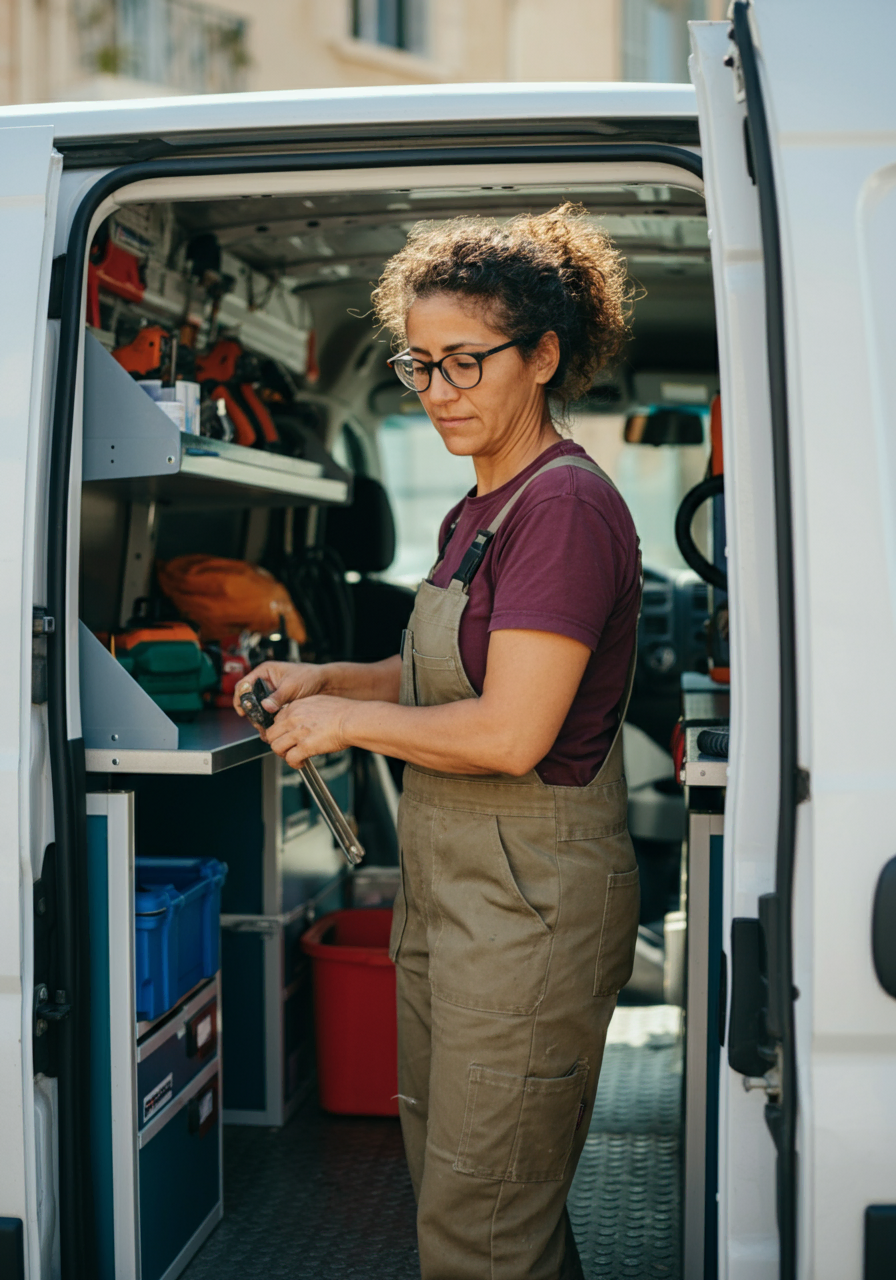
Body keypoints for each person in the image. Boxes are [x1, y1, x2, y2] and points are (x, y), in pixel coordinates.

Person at [235, 203, 642, 1280]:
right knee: (467, 1194)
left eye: (466, 362)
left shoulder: (560, 507)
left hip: (527, 907)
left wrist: (346, 722)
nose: (439, 394)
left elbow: (510, 728)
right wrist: (330, 678)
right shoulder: (482, 507)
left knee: (484, 1231)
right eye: (419, 366)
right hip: (458, 892)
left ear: (544, 354)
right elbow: (442, 675)